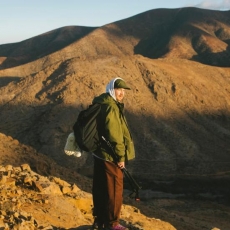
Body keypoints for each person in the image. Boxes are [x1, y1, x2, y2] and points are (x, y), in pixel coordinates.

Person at [91, 77, 135, 230]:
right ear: (112, 89)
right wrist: (120, 157)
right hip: (111, 155)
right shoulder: (111, 106)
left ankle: (100, 220)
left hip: (100, 153)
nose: (122, 93)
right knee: (115, 189)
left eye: (123, 90)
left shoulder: (101, 102)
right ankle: (113, 224)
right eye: (119, 90)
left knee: (101, 187)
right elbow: (114, 135)